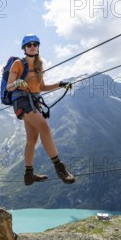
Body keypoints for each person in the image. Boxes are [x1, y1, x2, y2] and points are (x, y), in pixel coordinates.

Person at [6, 34, 76, 186]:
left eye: (35, 44)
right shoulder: (18, 63)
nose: (32, 47)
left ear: (38, 47)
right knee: (44, 127)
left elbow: (42, 87)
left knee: (32, 140)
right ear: (24, 48)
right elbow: (8, 86)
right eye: (29, 45)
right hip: (22, 101)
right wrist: (17, 82)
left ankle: (29, 174)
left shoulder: (39, 66)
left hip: (34, 102)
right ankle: (60, 168)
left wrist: (60, 84)